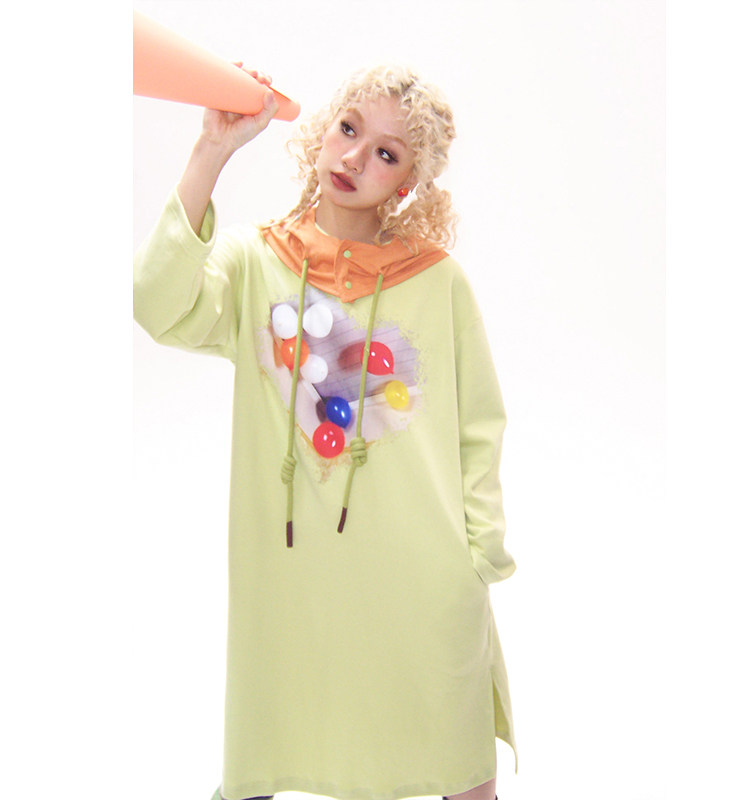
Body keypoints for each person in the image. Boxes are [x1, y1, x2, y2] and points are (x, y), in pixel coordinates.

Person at [134, 64, 517, 800]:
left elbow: (479, 425)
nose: (354, 158)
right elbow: (157, 303)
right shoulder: (255, 260)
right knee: (266, 751)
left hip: (422, 575)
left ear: (407, 183)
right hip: (289, 580)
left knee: (460, 763)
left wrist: (479, 558)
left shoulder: (438, 281)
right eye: (348, 130)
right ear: (321, 133)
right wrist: (212, 150)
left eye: (387, 153)